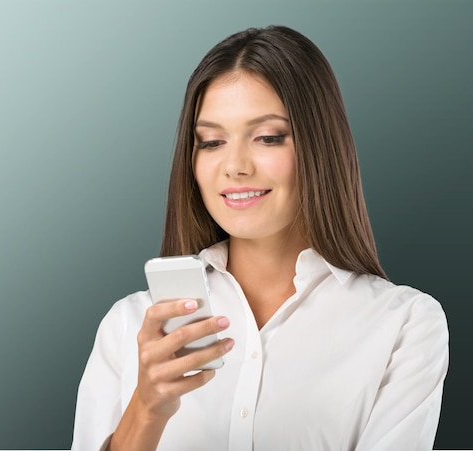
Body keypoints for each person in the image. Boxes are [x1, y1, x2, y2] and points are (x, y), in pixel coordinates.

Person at [70, 25, 449, 451]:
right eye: (211, 142)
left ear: (320, 146)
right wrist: (145, 411)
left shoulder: (404, 324)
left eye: (268, 137)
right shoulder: (129, 326)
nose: (234, 166)